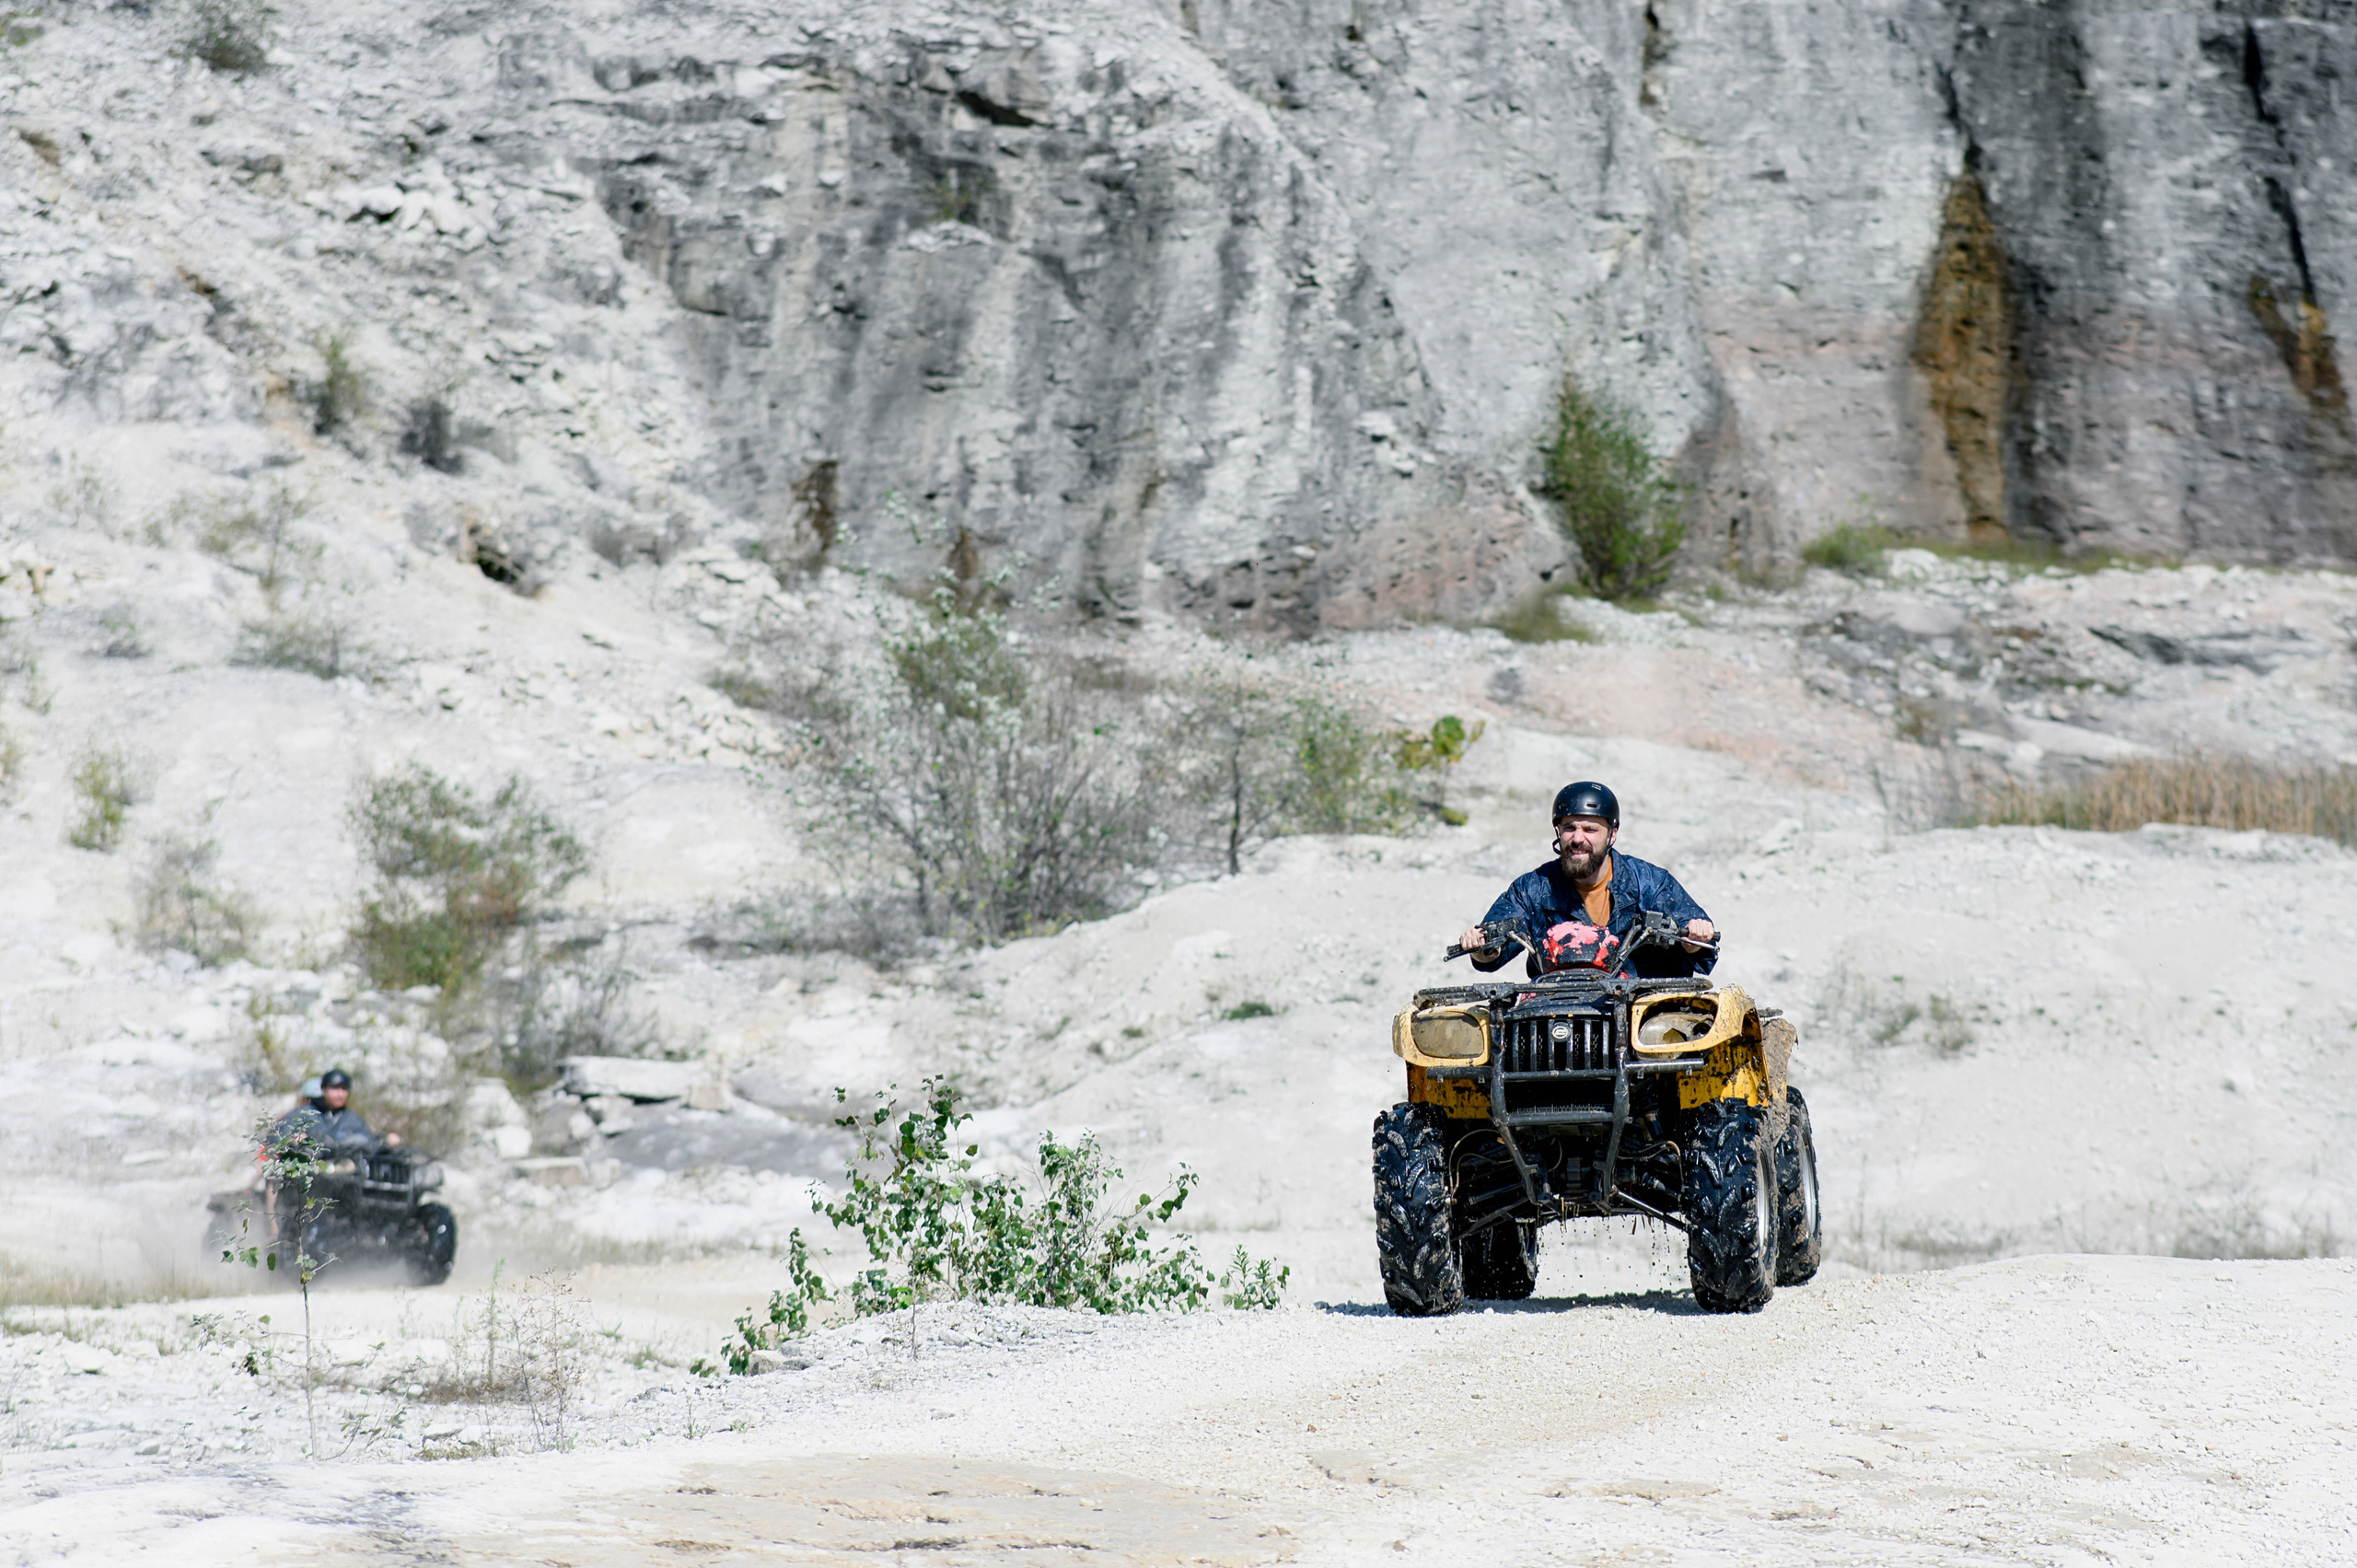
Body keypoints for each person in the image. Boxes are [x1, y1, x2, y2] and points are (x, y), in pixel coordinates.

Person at [1456, 781, 1717, 980]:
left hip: (1642, 1016)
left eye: (1590, 829)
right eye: (1569, 828)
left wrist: (1696, 935)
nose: (1578, 838)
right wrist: (1480, 945)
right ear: (1558, 831)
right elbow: (1491, 952)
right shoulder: (1532, 889)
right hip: (1558, 1015)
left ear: (1611, 835)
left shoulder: (1649, 883)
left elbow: (1702, 948)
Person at [269, 1068, 401, 1153]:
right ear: (323, 1090)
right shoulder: (305, 1113)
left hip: (346, 1180)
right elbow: (276, 1134)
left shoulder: (352, 1119)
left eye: (344, 1089)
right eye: (334, 1088)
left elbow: (368, 1141)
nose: (340, 1094)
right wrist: (293, 1139)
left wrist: (385, 1140)